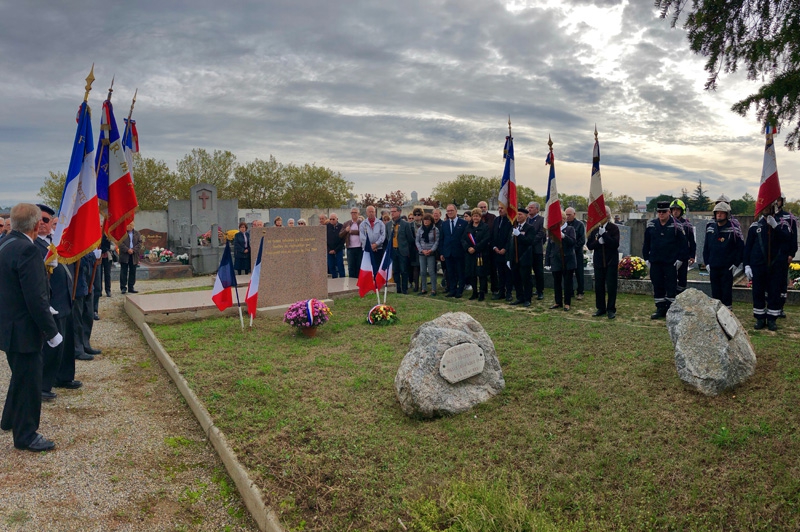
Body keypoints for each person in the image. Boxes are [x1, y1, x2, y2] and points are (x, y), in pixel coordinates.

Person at [0, 203, 61, 452]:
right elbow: (36, 299)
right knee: (30, 382)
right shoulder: (27, 250)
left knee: (20, 376)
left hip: (8, 325)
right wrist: (51, 331)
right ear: (37, 225)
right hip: (23, 329)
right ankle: (26, 435)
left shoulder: (5, 244)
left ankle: (9, 419)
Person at [744, 205, 792, 330]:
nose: (766, 209)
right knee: (758, 292)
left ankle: (772, 319)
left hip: (776, 265)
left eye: (769, 206)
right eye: (764, 207)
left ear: (774, 208)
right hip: (758, 265)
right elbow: (748, 247)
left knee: (774, 292)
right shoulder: (755, 226)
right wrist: (747, 265)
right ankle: (760, 318)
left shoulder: (783, 225)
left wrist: (775, 227)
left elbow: (787, 240)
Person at [643, 201, 689, 319]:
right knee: (657, 285)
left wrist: (680, 260)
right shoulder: (651, 225)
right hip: (656, 261)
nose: (661, 214)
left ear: (669, 212)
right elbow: (646, 243)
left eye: (664, 212)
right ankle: (660, 308)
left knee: (670, 286)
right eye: (659, 212)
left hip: (670, 262)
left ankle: (670, 309)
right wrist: (646, 259)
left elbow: (683, 245)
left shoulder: (677, 225)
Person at [703, 202, 744, 309]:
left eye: (722, 213)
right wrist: (707, 263)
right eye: (717, 213)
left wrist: (735, 264)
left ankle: (728, 315)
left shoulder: (734, 230)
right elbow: (706, 247)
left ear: (727, 214)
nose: (719, 215)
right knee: (715, 293)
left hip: (727, 268)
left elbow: (740, 248)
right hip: (713, 267)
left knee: (726, 294)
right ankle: (716, 314)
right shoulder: (710, 229)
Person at [586, 206, 620, 319]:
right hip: (599, 262)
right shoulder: (594, 229)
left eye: (605, 213)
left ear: (609, 214)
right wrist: (598, 242)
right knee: (599, 286)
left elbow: (615, 244)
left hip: (611, 261)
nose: (603, 216)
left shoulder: (614, 228)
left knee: (611, 286)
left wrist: (604, 234)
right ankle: (601, 308)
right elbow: (589, 245)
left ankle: (611, 309)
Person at [546, 210, 577, 311]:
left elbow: (573, 242)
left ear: (563, 219)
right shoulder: (552, 231)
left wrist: (564, 236)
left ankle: (567, 303)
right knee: (557, 282)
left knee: (567, 282)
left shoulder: (570, 229)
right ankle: (557, 301)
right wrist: (547, 261)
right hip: (556, 260)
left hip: (568, 260)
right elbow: (549, 247)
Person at [775, 193, 798, 318]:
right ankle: (771, 306)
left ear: (782, 201)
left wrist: (791, 253)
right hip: (769, 257)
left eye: (778, 200)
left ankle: (780, 307)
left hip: (783, 255)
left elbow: (793, 237)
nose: (776, 202)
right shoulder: (767, 217)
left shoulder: (789, 218)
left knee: (782, 282)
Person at [507, 207, 534, 306]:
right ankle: (520, 297)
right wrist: (508, 259)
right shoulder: (514, 227)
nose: (518, 216)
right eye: (517, 214)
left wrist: (519, 235)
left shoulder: (530, 228)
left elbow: (529, 241)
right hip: (514, 258)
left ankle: (527, 299)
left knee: (526, 280)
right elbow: (510, 244)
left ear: (526, 216)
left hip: (524, 258)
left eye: (520, 214)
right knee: (516, 279)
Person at [440, 204, 468, 298]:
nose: (450, 212)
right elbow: (442, 239)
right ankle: (452, 290)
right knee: (450, 273)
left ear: (456, 211)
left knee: (460, 272)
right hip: (448, 252)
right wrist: (442, 252)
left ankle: (460, 290)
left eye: (451, 210)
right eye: (448, 211)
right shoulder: (444, 224)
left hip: (459, 252)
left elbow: (465, 238)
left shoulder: (463, 223)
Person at [385, 206, 415, 294]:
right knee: (395, 270)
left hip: (402, 251)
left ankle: (404, 289)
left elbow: (410, 239)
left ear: (399, 212)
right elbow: (387, 237)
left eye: (394, 211)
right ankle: (397, 288)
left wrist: (407, 250)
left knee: (404, 271)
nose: (392, 213)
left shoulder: (405, 224)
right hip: (393, 251)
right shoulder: (388, 225)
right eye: (391, 212)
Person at [463, 208, 490, 301]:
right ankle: (474, 292)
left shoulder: (485, 227)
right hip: (470, 255)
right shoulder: (468, 227)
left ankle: (482, 293)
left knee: (481, 274)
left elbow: (486, 239)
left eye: (477, 216)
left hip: (481, 254)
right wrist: (468, 248)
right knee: (472, 274)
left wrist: (475, 248)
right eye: (474, 216)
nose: (475, 218)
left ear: (480, 216)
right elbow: (463, 239)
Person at [669, 199, 696, 293]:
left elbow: (692, 241)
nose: (675, 211)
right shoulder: (668, 223)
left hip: (683, 256)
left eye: (677, 209)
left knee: (682, 278)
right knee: (670, 278)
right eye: (673, 210)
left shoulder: (687, 225)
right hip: (671, 256)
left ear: (682, 211)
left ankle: (680, 295)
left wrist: (692, 255)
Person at [491, 205, 513, 301]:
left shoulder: (511, 221)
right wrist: (494, 247)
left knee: (508, 273)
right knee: (500, 273)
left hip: (507, 252)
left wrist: (505, 248)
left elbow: (511, 237)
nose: (500, 210)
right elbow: (492, 234)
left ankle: (509, 293)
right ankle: (501, 292)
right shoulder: (496, 220)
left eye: (502, 208)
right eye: (499, 208)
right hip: (497, 251)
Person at [564, 207, 586, 300]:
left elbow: (582, 240)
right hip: (567, 253)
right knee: (568, 273)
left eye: (569, 215)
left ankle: (580, 292)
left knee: (579, 273)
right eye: (566, 215)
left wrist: (573, 248)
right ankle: (569, 291)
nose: (567, 217)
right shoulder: (564, 225)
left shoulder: (579, 225)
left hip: (577, 253)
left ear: (574, 214)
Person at [415, 213, 440, 296]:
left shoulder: (435, 230)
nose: (426, 221)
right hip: (422, 253)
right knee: (422, 272)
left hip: (431, 253)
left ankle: (433, 289)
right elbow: (417, 241)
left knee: (432, 271)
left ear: (431, 221)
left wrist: (431, 250)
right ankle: (423, 289)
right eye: (425, 220)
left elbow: (436, 241)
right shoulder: (420, 229)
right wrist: (422, 250)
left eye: (428, 220)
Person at [526, 202, 546, 300]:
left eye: (532, 208)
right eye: (529, 208)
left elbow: (541, 233)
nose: (529, 209)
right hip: (526, 251)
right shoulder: (526, 220)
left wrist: (529, 241)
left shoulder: (541, 220)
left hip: (536, 250)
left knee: (538, 271)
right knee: (527, 270)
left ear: (537, 209)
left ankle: (540, 291)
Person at [118, 221, 144, 294]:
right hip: (124, 255)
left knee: (133, 271)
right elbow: (120, 243)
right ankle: (123, 287)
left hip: (134, 255)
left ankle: (131, 287)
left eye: (130, 226)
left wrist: (133, 250)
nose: (129, 227)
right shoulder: (122, 233)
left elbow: (140, 243)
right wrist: (127, 249)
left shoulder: (137, 233)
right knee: (124, 271)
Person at [360, 206, 386, 274]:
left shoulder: (380, 223)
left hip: (378, 249)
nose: (371, 213)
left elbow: (383, 236)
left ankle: (377, 283)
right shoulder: (363, 224)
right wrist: (370, 246)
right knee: (368, 269)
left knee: (377, 268)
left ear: (375, 212)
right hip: (367, 250)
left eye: (372, 212)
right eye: (369, 212)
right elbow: (362, 237)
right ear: (366, 213)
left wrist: (376, 244)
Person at [341, 208, 362, 278]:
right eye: (352, 212)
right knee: (351, 267)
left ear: (358, 214)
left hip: (360, 248)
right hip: (350, 248)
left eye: (355, 212)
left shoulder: (362, 223)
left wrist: (352, 232)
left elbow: (364, 233)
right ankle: (351, 283)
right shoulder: (347, 223)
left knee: (359, 266)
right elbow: (340, 234)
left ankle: (358, 283)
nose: (353, 214)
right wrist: (346, 231)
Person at [326, 213, 345, 278]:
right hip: (329, 250)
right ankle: (334, 280)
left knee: (340, 265)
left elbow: (342, 240)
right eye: (330, 219)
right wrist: (329, 249)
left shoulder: (341, 226)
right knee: (331, 266)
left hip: (338, 250)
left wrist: (335, 250)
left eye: (333, 219)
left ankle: (342, 279)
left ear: (337, 219)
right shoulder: (327, 227)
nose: (332, 220)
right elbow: (324, 239)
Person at [409, 208, 424, 291]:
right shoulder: (410, 225)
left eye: (418, 214)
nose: (417, 216)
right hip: (414, 249)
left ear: (421, 215)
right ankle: (416, 285)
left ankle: (423, 285)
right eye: (415, 214)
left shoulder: (425, 224)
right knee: (415, 268)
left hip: (423, 248)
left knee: (423, 268)